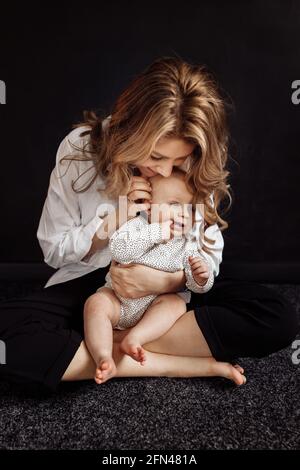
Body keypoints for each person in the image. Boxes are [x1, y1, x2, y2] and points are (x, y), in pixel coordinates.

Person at [0, 56, 298, 392]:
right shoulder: (81, 148)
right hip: (94, 285)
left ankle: (101, 346)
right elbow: (54, 251)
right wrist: (113, 222)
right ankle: (177, 364)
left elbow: (208, 258)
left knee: (277, 317)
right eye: (156, 157)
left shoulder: (199, 159)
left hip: (171, 288)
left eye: (178, 160)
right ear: (130, 131)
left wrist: (163, 281)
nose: (168, 172)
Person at [84, 168, 240, 385]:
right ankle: (103, 356)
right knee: (96, 304)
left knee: (175, 304)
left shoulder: (188, 244)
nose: (184, 213)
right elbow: (119, 249)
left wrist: (201, 277)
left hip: (154, 307)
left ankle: (136, 338)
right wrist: (157, 232)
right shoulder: (138, 226)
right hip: (118, 301)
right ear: (149, 205)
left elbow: (195, 287)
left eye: (190, 207)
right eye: (174, 204)